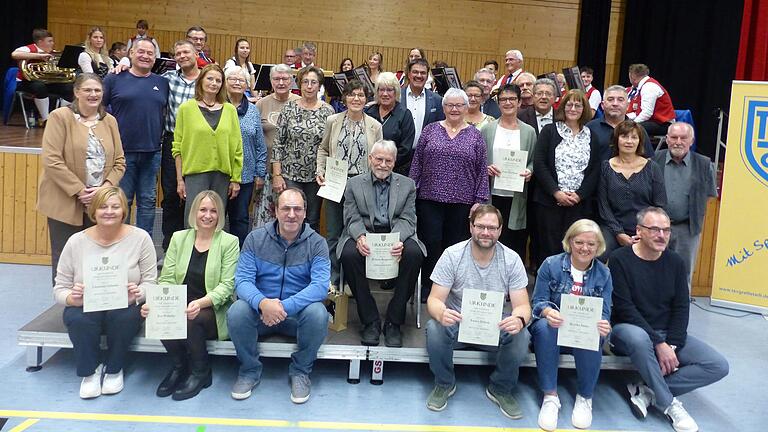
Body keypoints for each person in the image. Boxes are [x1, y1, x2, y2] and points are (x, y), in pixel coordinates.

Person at [609, 207, 729, 432]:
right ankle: (670, 404)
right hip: (628, 331)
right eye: (654, 229)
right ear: (639, 231)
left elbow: (682, 307)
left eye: (666, 230)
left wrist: (672, 344)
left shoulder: (675, 262)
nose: (661, 235)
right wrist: (659, 343)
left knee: (717, 365)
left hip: (665, 335)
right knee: (639, 339)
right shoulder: (619, 259)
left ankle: (647, 392)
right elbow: (625, 309)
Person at [425, 204, 530, 419]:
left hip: (494, 327)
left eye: (492, 228)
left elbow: (523, 306)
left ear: (500, 230)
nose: (485, 232)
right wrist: (441, 313)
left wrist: (519, 319)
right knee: (434, 328)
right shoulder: (452, 255)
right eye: (480, 226)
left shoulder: (512, 259)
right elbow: (434, 300)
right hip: (457, 324)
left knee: (523, 334)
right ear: (471, 227)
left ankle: (500, 388)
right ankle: (444, 383)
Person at [227, 188, 330, 404]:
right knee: (237, 311)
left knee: (318, 313)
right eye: (285, 208)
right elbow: (242, 281)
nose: (291, 214)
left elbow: (320, 287)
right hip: (261, 315)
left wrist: (282, 307)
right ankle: (249, 370)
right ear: (275, 210)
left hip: (295, 318)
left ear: (305, 212)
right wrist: (263, 303)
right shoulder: (255, 239)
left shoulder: (318, 243)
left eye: (297, 209)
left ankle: (300, 371)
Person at [53, 187, 157, 399]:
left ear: (124, 210)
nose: (109, 211)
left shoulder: (140, 238)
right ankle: (89, 373)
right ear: (93, 211)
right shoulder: (76, 241)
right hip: (86, 303)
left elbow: (150, 281)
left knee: (125, 317)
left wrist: (139, 293)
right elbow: (60, 287)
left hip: (125, 303)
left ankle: (113, 368)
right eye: (103, 207)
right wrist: (71, 297)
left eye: (115, 207)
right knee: (77, 318)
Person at [141, 190, 238, 401]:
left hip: (213, 309)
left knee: (191, 319)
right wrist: (155, 302)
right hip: (180, 303)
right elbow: (166, 278)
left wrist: (200, 303)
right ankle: (179, 366)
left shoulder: (229, 242)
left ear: (220, 215)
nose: (207, 215)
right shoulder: (179, 238)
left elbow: (227, 286)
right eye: (203, 209)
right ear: (194, 212)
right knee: (155, 313)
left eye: (213, 211)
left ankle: (201, 372)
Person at [37, 73, 125, 285]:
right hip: (65, 200)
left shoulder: (109, 121)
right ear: (76, 92)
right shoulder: (60, 117)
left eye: (97, 90)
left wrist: (104, 189)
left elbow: (120, 161)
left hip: (100, 202)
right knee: (66, 256)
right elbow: (52, 160)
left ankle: (97, 306)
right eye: (87, 90)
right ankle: (69, 306)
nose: (93, 94)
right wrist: (80, 191)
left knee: (98, 256)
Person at [339, 140, 425, 347]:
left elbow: (408, 218)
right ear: (370, 159)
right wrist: (360, 236)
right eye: (379, 159)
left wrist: (396, 241)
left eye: (388, 160)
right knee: (349, 254)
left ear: (395, 162)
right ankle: (370, 321)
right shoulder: (353, 184)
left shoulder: (407, 185)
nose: (383, 165)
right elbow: (351, 217)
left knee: (415, 254)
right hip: (365, 234)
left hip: (396, 235)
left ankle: (394, 321)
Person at [530, 219, 613, 431]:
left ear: (598, 247)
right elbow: (537, 303)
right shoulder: (551, 265)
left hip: (581, 333)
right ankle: (550, 398)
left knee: (594, 331)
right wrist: (549, 312)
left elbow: (604, 311)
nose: (585, 248)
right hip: (553, 330)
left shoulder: (604, 274)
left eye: (591, 244)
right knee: (545, 327)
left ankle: (585, 398)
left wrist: (605, 324)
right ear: (569, 242)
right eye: (579, 242)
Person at [410, 88, 489, 299]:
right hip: (429, 198)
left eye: (459, 105)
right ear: (443, 107)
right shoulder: (430, 130)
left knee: (455, 247)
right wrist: (410, 192)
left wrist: (480, 200)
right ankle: (429, 286)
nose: (454, 109)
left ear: (466, 108)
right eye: (450, 105)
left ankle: (451, 288)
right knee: (431, 243)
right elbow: (417, 164)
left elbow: (482, 169)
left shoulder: (475, 135)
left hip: (463, 202)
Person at [316, 80, 383, 288]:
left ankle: (355, 283)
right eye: (352, 94)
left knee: (358, 234)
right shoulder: (332, 121)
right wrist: (320, 171)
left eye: (361, 95)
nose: (356, 99)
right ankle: (333, 281)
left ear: (367, 99)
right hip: (335, 184)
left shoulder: (375, 126)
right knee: (334, 233)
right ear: (344, 98)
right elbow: (324, 149)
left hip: (362, 186)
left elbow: (379, 157)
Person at [103, 39, 169, 238]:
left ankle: (143, 247)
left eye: (150, 53)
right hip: (123, 154)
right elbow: (100, 110)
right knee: (122, 201)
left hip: (152, 152)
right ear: (130, 54)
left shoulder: (162, 82)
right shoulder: (114, 78)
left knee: (148, 202)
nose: (145, 56)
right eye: (141, 51)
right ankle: (119, 245)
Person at [532, 90, 600, 269]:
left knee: (575, 247)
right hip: (549, 201)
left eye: (578, 105)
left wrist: (579, 195)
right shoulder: (549, 131)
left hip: (579, 204)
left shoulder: (591, 135)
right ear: (562, 107)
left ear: (584, 109)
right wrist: (556, 192)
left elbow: (594, 171)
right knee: (548, 247)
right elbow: (539, 164)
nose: (573, 108)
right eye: (569, 104)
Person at [173, 64, 243, 225]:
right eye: (210, 78)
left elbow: (237, 146)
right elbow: (177, 148)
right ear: (201, 81)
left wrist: (235, 179)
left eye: (218, 80)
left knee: (216, 220)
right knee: (194, 220)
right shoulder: (186, 109)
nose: (214, 83)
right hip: (195, 175)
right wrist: (180, 180)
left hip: (222, 176)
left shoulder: (230, 110)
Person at [653, 122, 717, 289]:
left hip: (687, 230)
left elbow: (709, 196)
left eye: (683, 138)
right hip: (655, 229)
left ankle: (680, 314)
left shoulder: (704, 164)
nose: (678, 142)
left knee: (683, 275)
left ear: (692, 140)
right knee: (652, 271)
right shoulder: (654, 159)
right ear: (667, 139)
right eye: (674, 137)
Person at [271, 66, 335, 231]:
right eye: (305, 82)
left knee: (312, 220)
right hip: (290, 174)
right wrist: (277, 175)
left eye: (313, 82)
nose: (309, 86)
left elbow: (330, 146)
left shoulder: (328, 111)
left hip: (316, 177)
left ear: (319, 86)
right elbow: (279, 142)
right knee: (288, 218)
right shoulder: (289, 108)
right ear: (299, 84)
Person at [481, 84, 536, 258]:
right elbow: (479, 160)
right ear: (498, 103)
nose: (508, 102)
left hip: (516, 195)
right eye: (503, 99)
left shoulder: (529, 132)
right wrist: (485, 168)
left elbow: (534, 161)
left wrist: (529, 171)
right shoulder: (488, 129)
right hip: (492, 192)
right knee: (488, 235)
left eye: (512, 99)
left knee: (512, 241)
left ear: (520, 102)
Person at [598, 120, 667, 257]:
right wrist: (619, 233)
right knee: (599, 254)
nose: (629, 141)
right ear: (616, 140)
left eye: (634, 137)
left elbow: (660, 204)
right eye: (624, 136)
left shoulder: (652, 167)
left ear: (640, 142)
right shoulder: (606, 167)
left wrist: (645, 231)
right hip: (613, 227)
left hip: (646, 228)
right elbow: (604, 206)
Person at [159, 40, 201, 252]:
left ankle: (194, 249)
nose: (182, 56)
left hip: (198, 144)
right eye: (178, 53)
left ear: (196, 54)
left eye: (186, 52)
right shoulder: (167, 80)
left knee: (196, 196)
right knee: (172, 195)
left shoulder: (206, 80)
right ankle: (170, 249)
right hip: (172, 141)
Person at [254, 64, 301, 228]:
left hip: (293, 173)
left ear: (291, 81)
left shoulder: (299, 103)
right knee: (267, 218)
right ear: (270, 81)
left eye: (285, 78)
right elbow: (256, 140)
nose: (281, 82)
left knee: (289, 218)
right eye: (276, 79)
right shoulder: (261, 104)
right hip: (267, 172)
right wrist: (259, 173)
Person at [225, 67, 267, 246]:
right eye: (232, 79)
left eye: (240, 80)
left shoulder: (253, 111)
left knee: (241, 219)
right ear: (225, 83)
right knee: (215, 217)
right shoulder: (218, 107)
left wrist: (260, 172)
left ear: (246, 85)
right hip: (220, 173)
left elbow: (260, 144)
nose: (236, 83)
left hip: (246, 175)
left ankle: (239, 259)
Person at [11, 28, 74, 126]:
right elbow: (14, 54)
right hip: (27, 82)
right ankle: (46, 119)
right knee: (39, 87)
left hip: (48, 82)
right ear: (40, 42)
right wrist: (39, 56)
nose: (52, 43)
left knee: (70, 87)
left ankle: (59, 117)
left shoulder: (52, 52)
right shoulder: (29, 49)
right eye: (50, 41)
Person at [365, 72, 416, 176]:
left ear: (396, 92)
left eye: (389, 90)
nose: (385, 94)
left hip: (394, 172)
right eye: (381, 89)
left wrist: (385, 164)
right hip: (368, 170)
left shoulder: (404, 115)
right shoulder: (368, 112)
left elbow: (405, 150)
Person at [586, 85, 654, 161]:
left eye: (620, 100)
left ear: (628, 105)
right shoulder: (590, 128)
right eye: (610, 99)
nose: (615, 103)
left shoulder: (638, 130)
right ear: (602, 105)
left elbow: (647, 160)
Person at [401, 58, 444, 148]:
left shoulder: (437, 100)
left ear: (427, 76)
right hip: (399, 155)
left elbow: (440, 131)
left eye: (423, 73)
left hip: (425, 155)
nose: (419, 76)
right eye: (415, 72)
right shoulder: (397, 97)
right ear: (409, 74)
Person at [626, 64, 675, 136]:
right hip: (652, 121)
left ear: (632, 76)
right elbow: (638, 113)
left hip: (663, 124)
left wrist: (631, 124)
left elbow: (647, 113)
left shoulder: (649, 87)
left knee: (631, 129)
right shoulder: (641, 87)